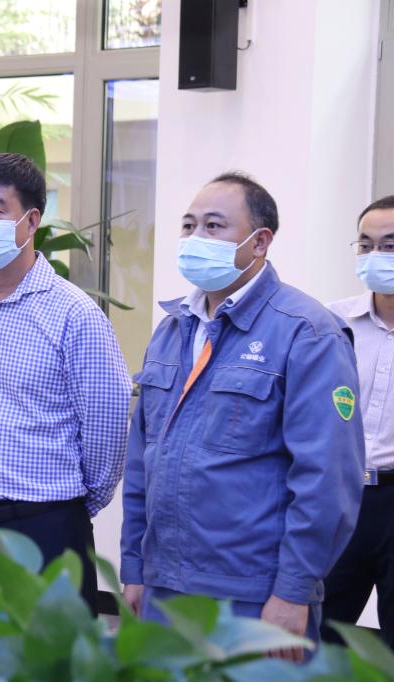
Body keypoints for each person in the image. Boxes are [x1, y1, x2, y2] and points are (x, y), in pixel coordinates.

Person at [120, 171, 365, 661]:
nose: (195, 238)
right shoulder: (172, 330)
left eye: (214, 226)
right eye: (188, 225)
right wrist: (134, 567)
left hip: (253, 594)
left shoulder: (307, 332)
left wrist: (294, 591)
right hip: (164, 585)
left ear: (260, 242)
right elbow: (142, 462)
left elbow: (327, 477)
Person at [0, 153, 132, 612]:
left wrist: (68, 507)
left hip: (44, 529)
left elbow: (106, 428)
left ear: (31, 220)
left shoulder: (75, 313)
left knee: (48, 653)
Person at [321, 195, 394, 648]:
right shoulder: (332, 322)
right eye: (366, 245)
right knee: (318, 633)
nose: (376, 256)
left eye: (390, 245)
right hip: (340, 495)